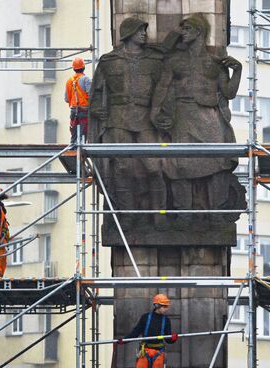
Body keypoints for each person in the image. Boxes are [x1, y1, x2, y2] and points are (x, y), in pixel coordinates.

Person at [150, 14, 244, 228]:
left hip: (209, 117)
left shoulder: (214, 61)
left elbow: (229, 93)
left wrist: (237, 71)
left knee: (219, 162)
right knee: (178, 163)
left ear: (199, 32)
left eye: (187, 29)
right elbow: (162, 88)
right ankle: (184, 213)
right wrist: (155, 113)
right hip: (183, 115)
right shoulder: (175, 61)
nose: (183, 33)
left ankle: (216, 212)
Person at [89, 17, 168, 230]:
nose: (144, 34)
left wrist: (162, 115)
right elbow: (95, 93)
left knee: (154, 168)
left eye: (145, 30)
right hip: (117, 120)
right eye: (140, 30)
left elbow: (165, 91)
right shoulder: (108, 61)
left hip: (145, 121)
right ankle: (128, 215)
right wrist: (97, 108)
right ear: (129, 34)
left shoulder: (154, 60)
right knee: (122, 169)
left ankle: (159, 215)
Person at [118, 294, 178, 368]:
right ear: (157, 306)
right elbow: (136, 332)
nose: (166, 309)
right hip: (145, 352)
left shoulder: (166, 320)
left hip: (159, 352)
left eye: (167, 306)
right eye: (164, 306)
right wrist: (124, 340)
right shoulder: (145, 317)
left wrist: (173, 338)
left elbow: (168, 339)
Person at [65, 57, 91, 144]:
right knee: (83, 133)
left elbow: (66, 99)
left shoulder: (69, 81)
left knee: (74, 133)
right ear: (83, 67)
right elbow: (91, 95)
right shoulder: (86, 79)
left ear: (73, 68)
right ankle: (81, 149)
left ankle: (73, 149)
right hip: (84, 110)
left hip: (73, 110)